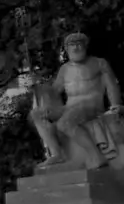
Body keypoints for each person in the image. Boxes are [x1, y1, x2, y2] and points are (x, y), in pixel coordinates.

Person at [31, 32, 122, 170]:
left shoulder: (98, 63)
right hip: (69, 107)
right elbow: (55, 91)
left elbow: (111, 85)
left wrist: (116, 105)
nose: (76, 48)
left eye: (79, 44)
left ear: (85, 46)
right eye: (72, 45)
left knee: (65, 123)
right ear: (67, 49)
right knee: (36, 114)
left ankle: (96, 155)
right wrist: (41, 88)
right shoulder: (65, 69)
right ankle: (56, 154)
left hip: (91, 105)